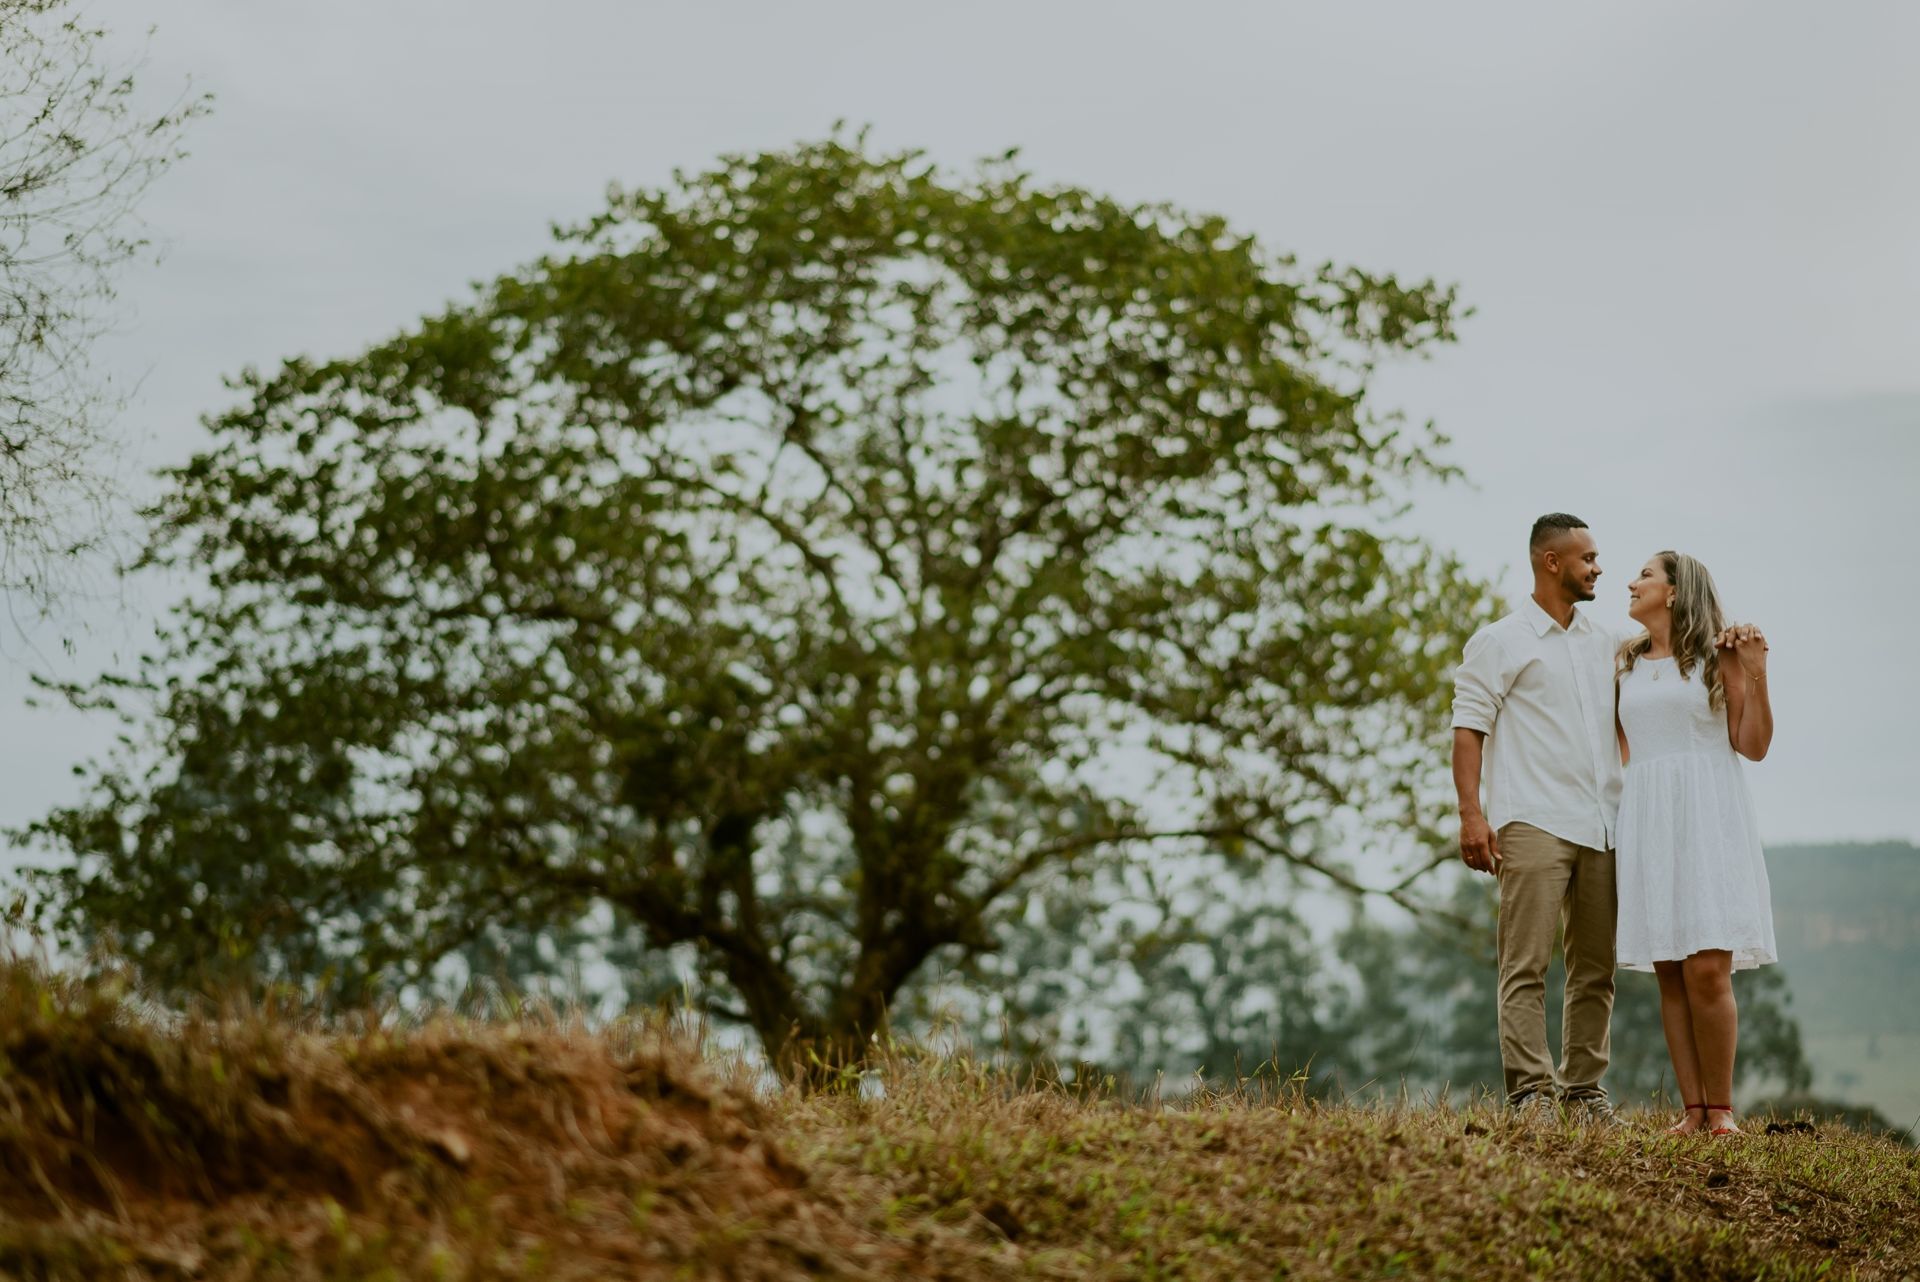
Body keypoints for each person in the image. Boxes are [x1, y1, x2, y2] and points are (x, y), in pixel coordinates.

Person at [1451, 513, 1623, 1121]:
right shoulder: (1500, 640)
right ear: (1552, 562)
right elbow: (1468, 729)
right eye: (1588, 558)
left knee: (1596, 968)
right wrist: (1473, 816)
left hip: (1604, 823)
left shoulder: (1606, 643)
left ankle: (1583, 1092)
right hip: (1532, 821)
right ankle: (1530, 1092)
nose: (1598, 568)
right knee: (1525, 963)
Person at [1614, 551, 1775, 1136]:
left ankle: (1723, 1110)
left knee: (1708, 969)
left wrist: (1755, 673)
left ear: (1676, 592)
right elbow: (1616, 747)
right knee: (1670, 970)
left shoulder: (1718, 656)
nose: (1631, 583)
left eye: (1645, 575)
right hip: (1648, 817)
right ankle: (1692, 1112)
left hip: (1708, 817)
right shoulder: (1625, 662)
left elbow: (1752, 745)